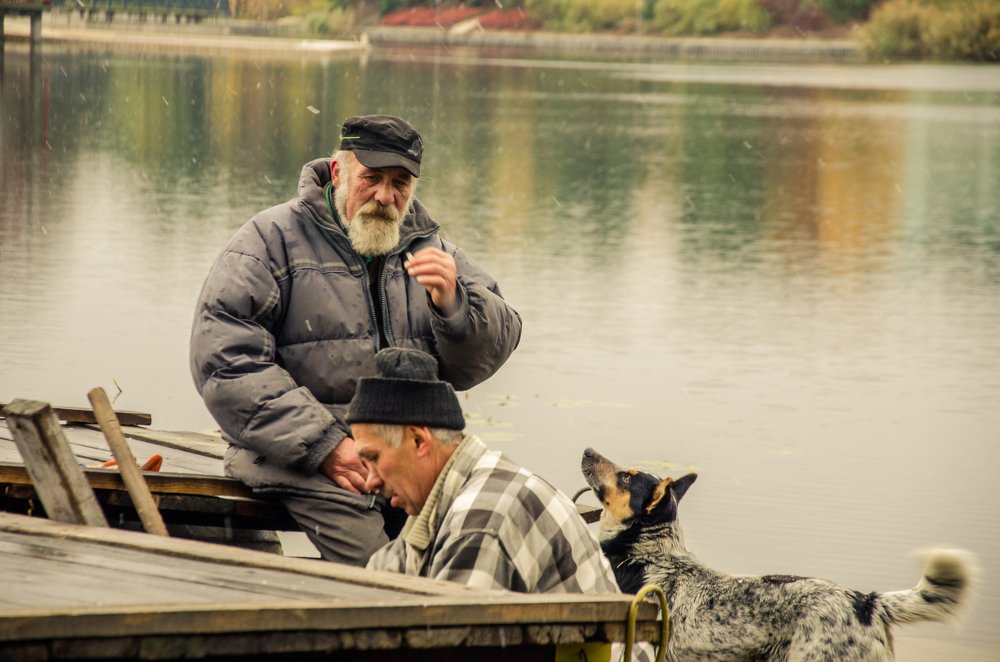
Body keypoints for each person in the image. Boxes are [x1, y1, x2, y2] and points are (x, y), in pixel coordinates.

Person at [189, 114, 522, 565]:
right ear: (338, 171)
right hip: (299, 457)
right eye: (373, 178)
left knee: (485, 541)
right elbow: (226, 361)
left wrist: (453, 305)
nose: (386, 196)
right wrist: (327, 445)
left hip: (409, 462)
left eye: (400, 182)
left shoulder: (430, 247)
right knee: (383, 569)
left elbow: (495, 345)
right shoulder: (268, 242)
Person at [348, 347, 619, 595]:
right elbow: (376, 587)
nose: (369, 482)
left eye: (373, 457)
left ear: (419, 441)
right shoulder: (437, 505)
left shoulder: (482, 521)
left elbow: (449, 643)